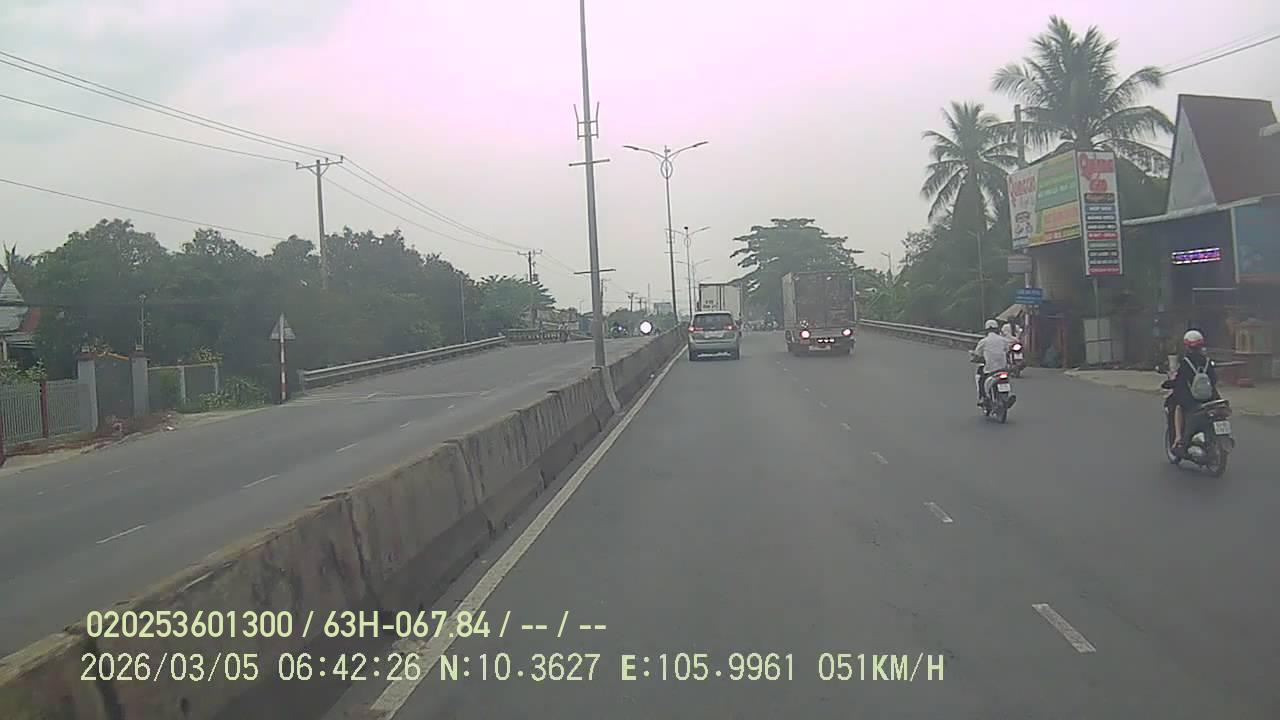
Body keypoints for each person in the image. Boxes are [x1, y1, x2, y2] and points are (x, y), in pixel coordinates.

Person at [1162, 329, 1220, 456]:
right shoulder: (1207, 361)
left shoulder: (1185, 363)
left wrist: (1169, 384)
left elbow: (1180, 381)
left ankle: (1178, 439)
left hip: (1192, 400)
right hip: (1210, 398)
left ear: (1187, 346)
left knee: (1178, 407)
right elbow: (1214, 379)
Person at [972, 319, 1014, 405]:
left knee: (981, 380)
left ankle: (983, 397)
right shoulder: (1003, 340)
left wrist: (975, 358)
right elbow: (1007, 350)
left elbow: (977, 354)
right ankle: (1006, 397)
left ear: (986, 330)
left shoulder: (984, 341)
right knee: (1005, 379)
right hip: (1003, 368)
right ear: (997, 329)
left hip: (990, 370)